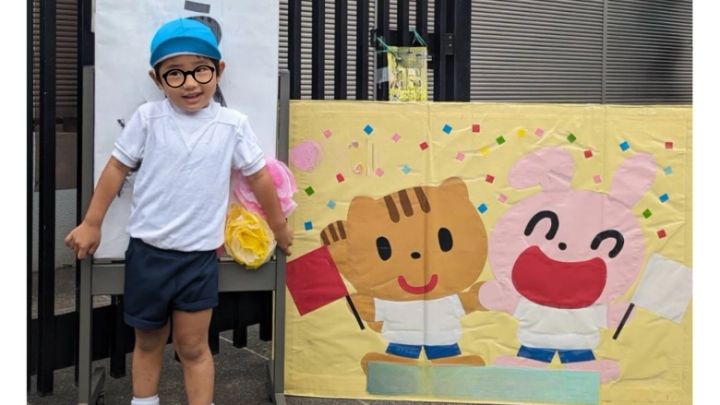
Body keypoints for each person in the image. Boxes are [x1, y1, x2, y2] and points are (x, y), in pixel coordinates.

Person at [64, 17, 293, 405]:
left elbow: (259, 177)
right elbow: (117, 167)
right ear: (157, 80)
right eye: (175, 74)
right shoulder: (148, 119)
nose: (190, 83)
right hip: (148, 254)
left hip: (198, 259)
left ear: (218, 70)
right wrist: (91, 222)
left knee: (193, 346)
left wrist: (279, 226)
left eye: (200, 70)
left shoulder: (232, 125)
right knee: (147, 342)